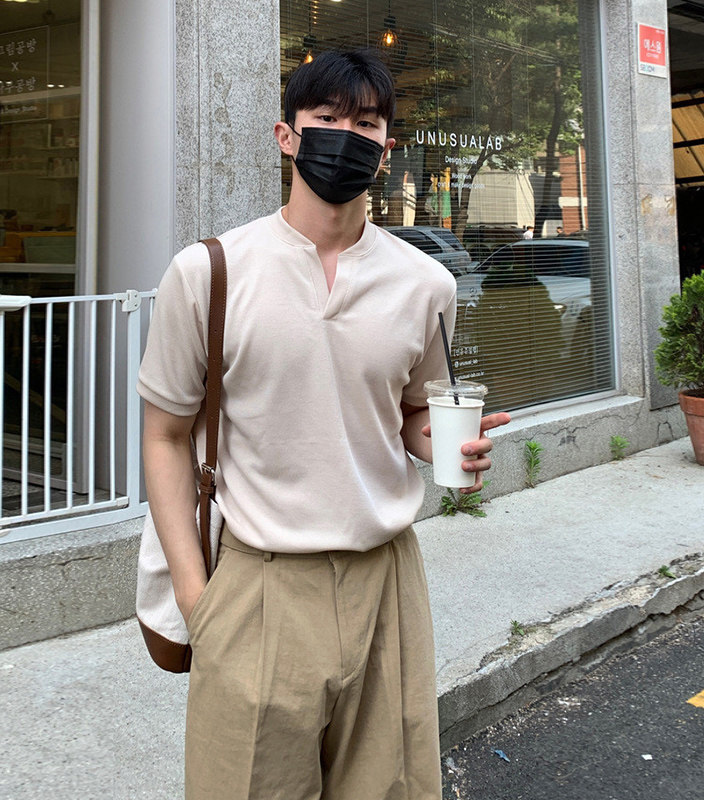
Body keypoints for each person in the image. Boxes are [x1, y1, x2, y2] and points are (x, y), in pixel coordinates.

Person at [138, 49, 510, 800]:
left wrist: (449, 446)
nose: (347, 135)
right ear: (287, 136)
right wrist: (197, 600)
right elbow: (165, 436)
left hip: (387, 580)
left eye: (366, 123)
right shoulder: (208, 272)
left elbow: (412, 415)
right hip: (258, 582)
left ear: (386, 148)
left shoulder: (426, 284)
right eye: (327, 118)